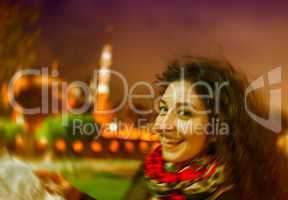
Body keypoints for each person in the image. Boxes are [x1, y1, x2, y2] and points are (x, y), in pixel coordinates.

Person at [127, 57, 288, 200]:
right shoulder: (150, 174)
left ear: (215, 130)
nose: (162, 125)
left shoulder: (236, 192)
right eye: (163, 109)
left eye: (184, 113)